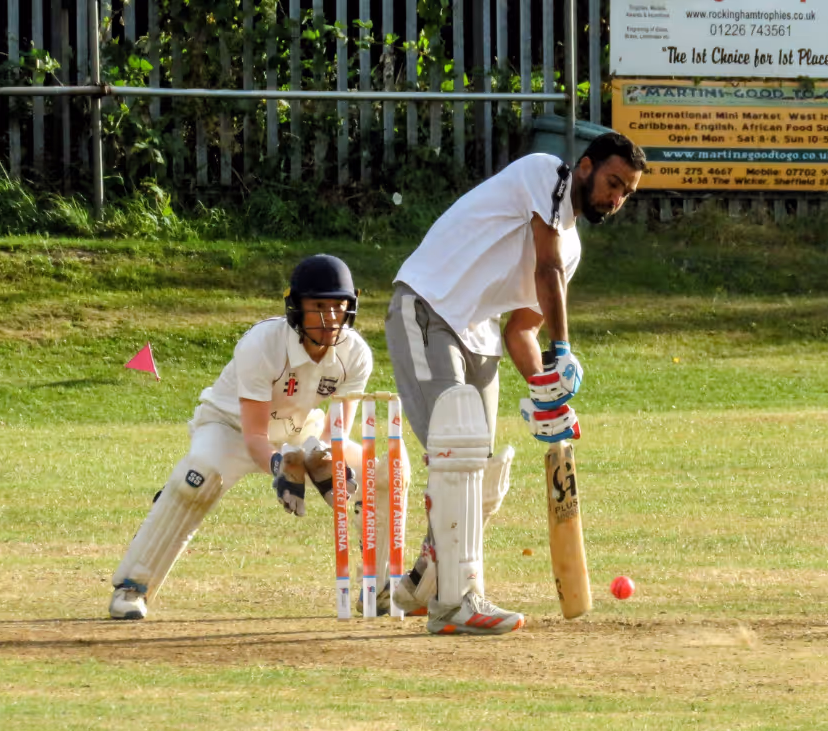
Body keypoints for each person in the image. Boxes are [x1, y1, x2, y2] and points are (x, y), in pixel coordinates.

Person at [383, 131, 647, 635]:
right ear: (586, 167)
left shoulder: (571, 249)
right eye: (613, 183)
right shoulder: (546, 173)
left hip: (478, 331)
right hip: (427, 304)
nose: (616, 200)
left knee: (479, 470)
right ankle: (454, 605)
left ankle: (420, 585)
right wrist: (564, 349)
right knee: (456, 455)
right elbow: (543, 267)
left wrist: (548, 392)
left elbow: (522, 329)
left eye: (626, 194)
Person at [108, 254, 372, 620]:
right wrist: (281, 466)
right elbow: (254, 435)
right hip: (229, 428)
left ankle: (384, 585)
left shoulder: (356, 353)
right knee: (197, 478)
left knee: (386, 466)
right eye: (319, 306)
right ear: (296, 308)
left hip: (300, 432)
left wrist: (324, 458)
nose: (330, 318)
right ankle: (132, 587)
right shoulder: (263, 343)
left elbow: (334, 432)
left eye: (338, 306)